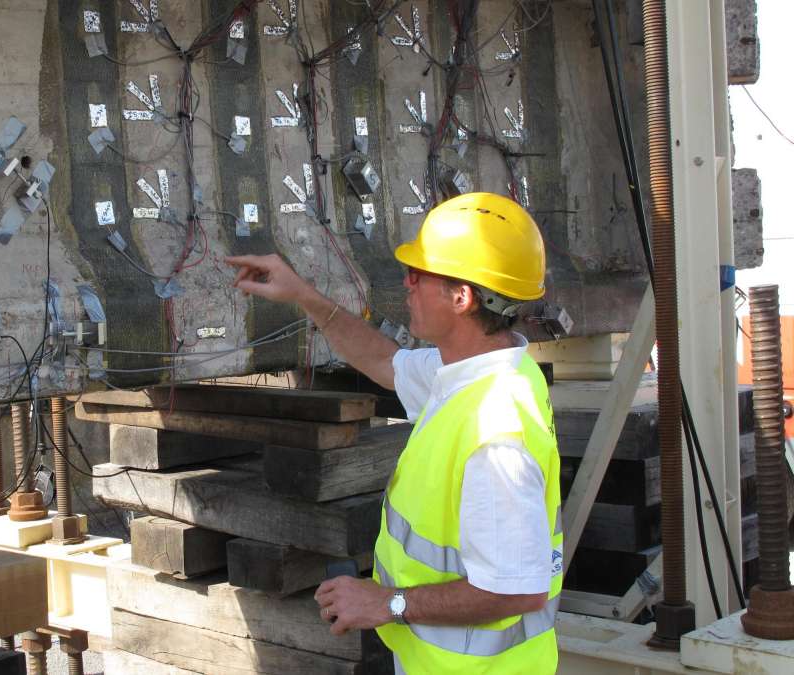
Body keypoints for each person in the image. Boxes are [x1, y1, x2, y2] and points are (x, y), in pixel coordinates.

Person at [225, 192, 563, 674]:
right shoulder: (476, 371)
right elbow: (384, 361)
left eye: (420, 274)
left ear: (461, 297)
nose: (407, 283)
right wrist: (303, 295)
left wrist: (388, 603)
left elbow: (517, 589)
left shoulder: (495, 437)